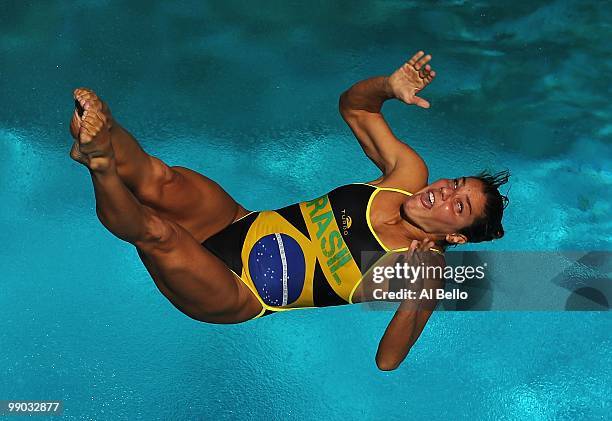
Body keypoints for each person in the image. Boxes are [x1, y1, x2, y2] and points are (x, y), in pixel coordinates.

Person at [69, 51, 509, 370]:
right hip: (236, 222)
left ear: (456, 236)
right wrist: (387, 88)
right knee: (162, 179)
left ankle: (99, 162)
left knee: (158, 233)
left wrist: (413, 300)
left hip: (236, 292)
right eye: (454, 184)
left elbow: (388, 360)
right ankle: (102, 129)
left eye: (459, 204)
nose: (443, 192)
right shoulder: (407, 175)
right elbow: (354, 106)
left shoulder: (421, 272)